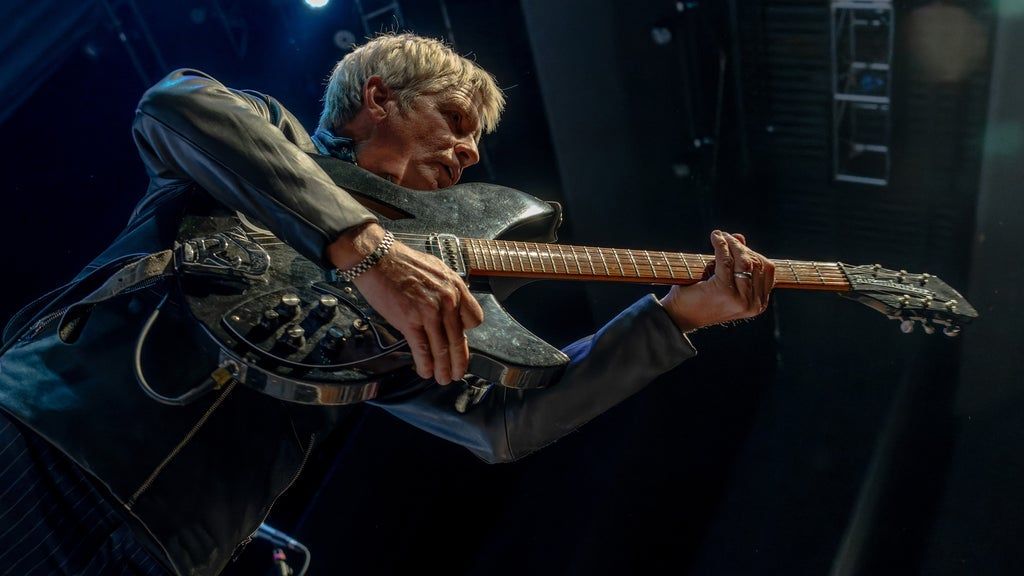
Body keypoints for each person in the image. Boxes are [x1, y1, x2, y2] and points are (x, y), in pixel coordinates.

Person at [0, 33, 774, 576]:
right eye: (456, 121)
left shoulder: (414, 306)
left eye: (475, 142)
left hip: (166, 549)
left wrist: (678, 316)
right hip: (39, 438)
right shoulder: (269, 138)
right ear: (378, 97)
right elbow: (176, 105)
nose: (470, 152)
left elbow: (504, 425)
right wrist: (365, 249)